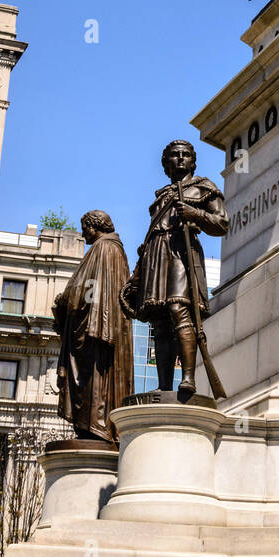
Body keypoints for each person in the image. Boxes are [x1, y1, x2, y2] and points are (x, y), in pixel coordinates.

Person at [121, 140, 228, 399]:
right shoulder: (162, 196)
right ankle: (164, 384)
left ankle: (188, 378)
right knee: (159, 319)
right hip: (157, 254)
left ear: (193, 161)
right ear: (165, 163)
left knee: (178, 308)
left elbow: (221, 224)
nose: (180, 159)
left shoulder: (204, 188)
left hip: (182, 252)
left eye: (185, 155)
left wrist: (195, 214)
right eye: (174, 156)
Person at [51, 210, 133, 443]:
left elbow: (88, 289)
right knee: (94, 379)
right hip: (102, 324)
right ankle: (92, 426)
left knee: (93, 378)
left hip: (95, 327)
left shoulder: (103, 249)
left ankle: (95, 426)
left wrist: (66, 301)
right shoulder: (114, 249)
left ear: (94, 227)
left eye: (85, 227)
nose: (83, 232)